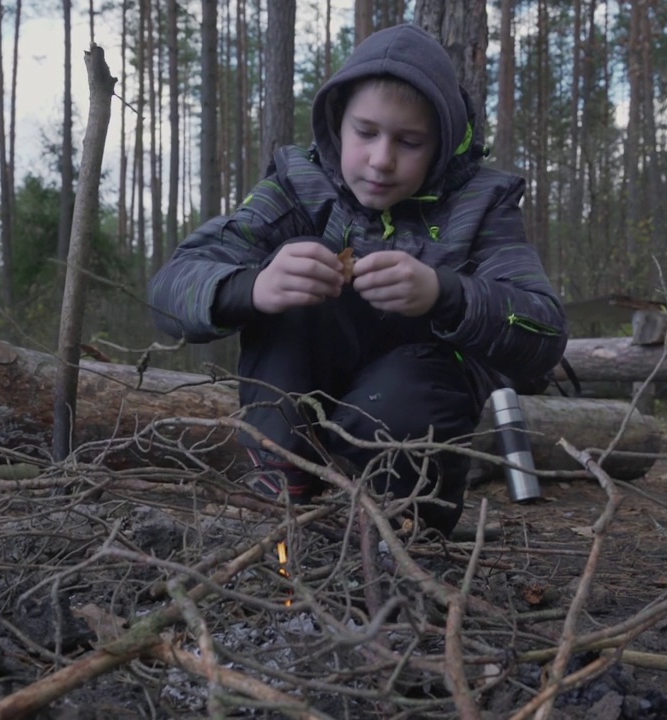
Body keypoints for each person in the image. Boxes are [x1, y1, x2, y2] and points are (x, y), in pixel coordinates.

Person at [148, 23, 566, 536]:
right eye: (365, 133)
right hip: (293, 430)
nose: (381, 160)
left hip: (413, 438)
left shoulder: (483, 205)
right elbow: (169, 291)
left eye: (409, 142)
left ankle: (403, 536)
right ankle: (281, 505)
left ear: (442, 144)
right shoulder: (299, 187)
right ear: (337, 124)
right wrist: (254, 288)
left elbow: (544, 333)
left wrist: (444, 294)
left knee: (403, 394)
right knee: (299, 274)